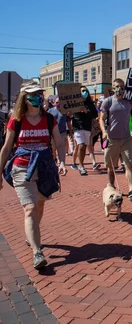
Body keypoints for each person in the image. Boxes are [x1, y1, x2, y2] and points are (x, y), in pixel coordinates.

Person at [0, 83, 67, 269]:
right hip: (22, 167)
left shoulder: (49, 119)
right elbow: (6, 148)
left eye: (40, 94)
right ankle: (37, 253)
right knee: (29, 208)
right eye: (33, 94)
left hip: (45, 167)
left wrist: (62, 162)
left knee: (39, 205)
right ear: (25, 98)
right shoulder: (16, 120)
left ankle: (31, 235)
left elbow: (59, 143)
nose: (38, 97)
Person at [99, 79, 132, 200]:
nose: (119, 89)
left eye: (121, 86)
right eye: (116, 86)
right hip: (112, 139)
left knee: (129, 164)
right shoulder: (108, 101)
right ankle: (111, 187)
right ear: (113, 87)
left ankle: (131, 191)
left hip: (126, 138)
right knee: (111, 166)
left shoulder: (129, 102)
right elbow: (101, 118)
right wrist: (104, 132)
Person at [69, 86, 98, 176]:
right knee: (81, 145)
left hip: (87, 127)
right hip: (77, 127)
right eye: (82, 91)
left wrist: (86, 111)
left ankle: (80, 163)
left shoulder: (90, 103)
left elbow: (95, 114)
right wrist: (69, 114)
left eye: (85, 91)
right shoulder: (74, 103)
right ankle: (81, 166)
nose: (84, 92)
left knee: (84, 147)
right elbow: (69, 114)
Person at [47, 97, 68, 164]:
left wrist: (70, 132)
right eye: (57, 102)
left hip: (62, 132)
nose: (58, 104)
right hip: (52, 133)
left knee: (61, 148)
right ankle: (54, 158)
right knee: (53, 148)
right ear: (54, 103)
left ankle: (60, 161)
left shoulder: (64, 111)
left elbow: (68, 122)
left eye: (59, 102)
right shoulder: (50, 111)